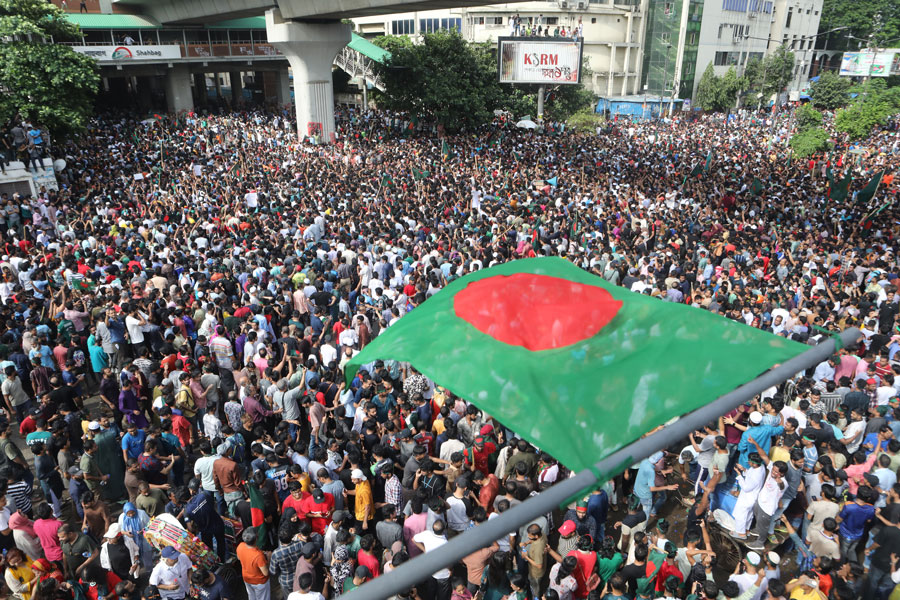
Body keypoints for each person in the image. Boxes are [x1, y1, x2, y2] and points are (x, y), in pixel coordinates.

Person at [236, 528, 270, 600]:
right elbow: (266, 573)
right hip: (259, 582)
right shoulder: (258, 555)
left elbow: (239, 558)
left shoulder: (240, 546)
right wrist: (269, 558)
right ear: (256, 539)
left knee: (251, 597)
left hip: (247, 579)